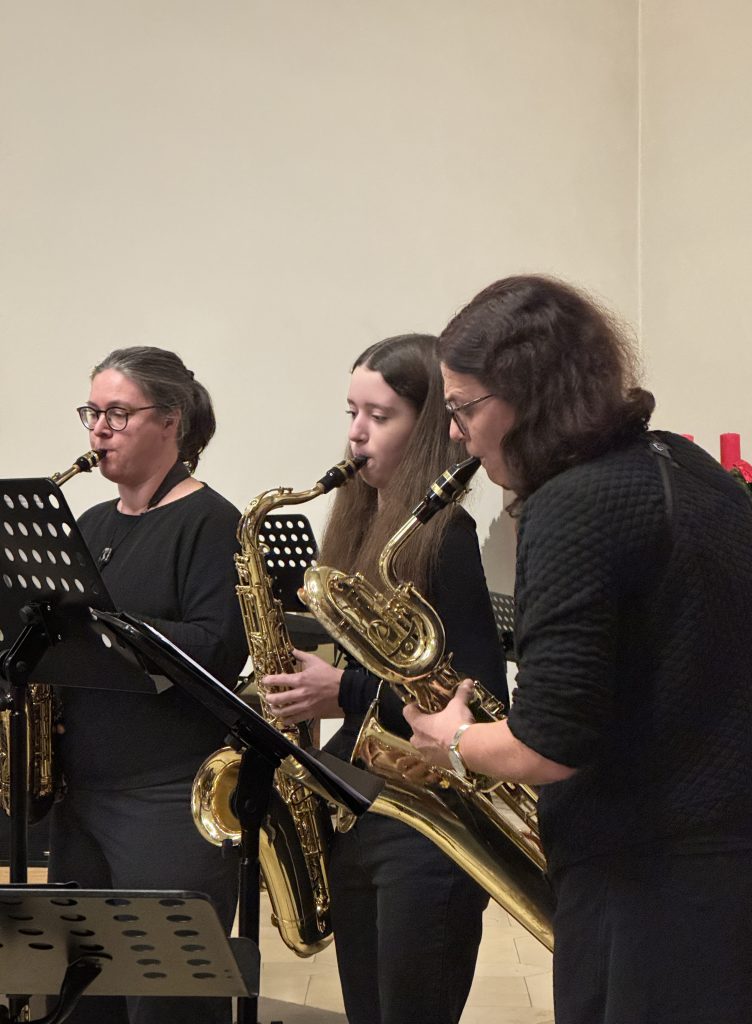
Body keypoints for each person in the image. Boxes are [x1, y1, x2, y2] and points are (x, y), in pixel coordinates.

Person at [404, 275, 752, 1024]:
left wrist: (453, 741)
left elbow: (550, 744)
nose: (456, 432)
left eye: (464, 407)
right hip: (734, 859)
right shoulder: (691, 466)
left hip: (644, 880)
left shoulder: (573, 503)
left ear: (527, 398)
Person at [262, 333, 508, 1024]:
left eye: (380, 415)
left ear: (427, 427)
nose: (356, 433)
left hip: (427, 828)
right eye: (352, 412)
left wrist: (342, 692)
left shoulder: (446, 535)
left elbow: (476, 692)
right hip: (365, 808)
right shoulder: (363, 522)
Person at [47, 346, 248, 1024]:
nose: (99, 430)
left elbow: (217, 648)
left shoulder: (213, 523)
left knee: (168, 1004)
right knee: (82, 1003)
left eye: (118, 414)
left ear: (170, 421)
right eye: (92, 413)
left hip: (167, 800)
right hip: (82, 797)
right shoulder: (92, 524)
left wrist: (108, 629)